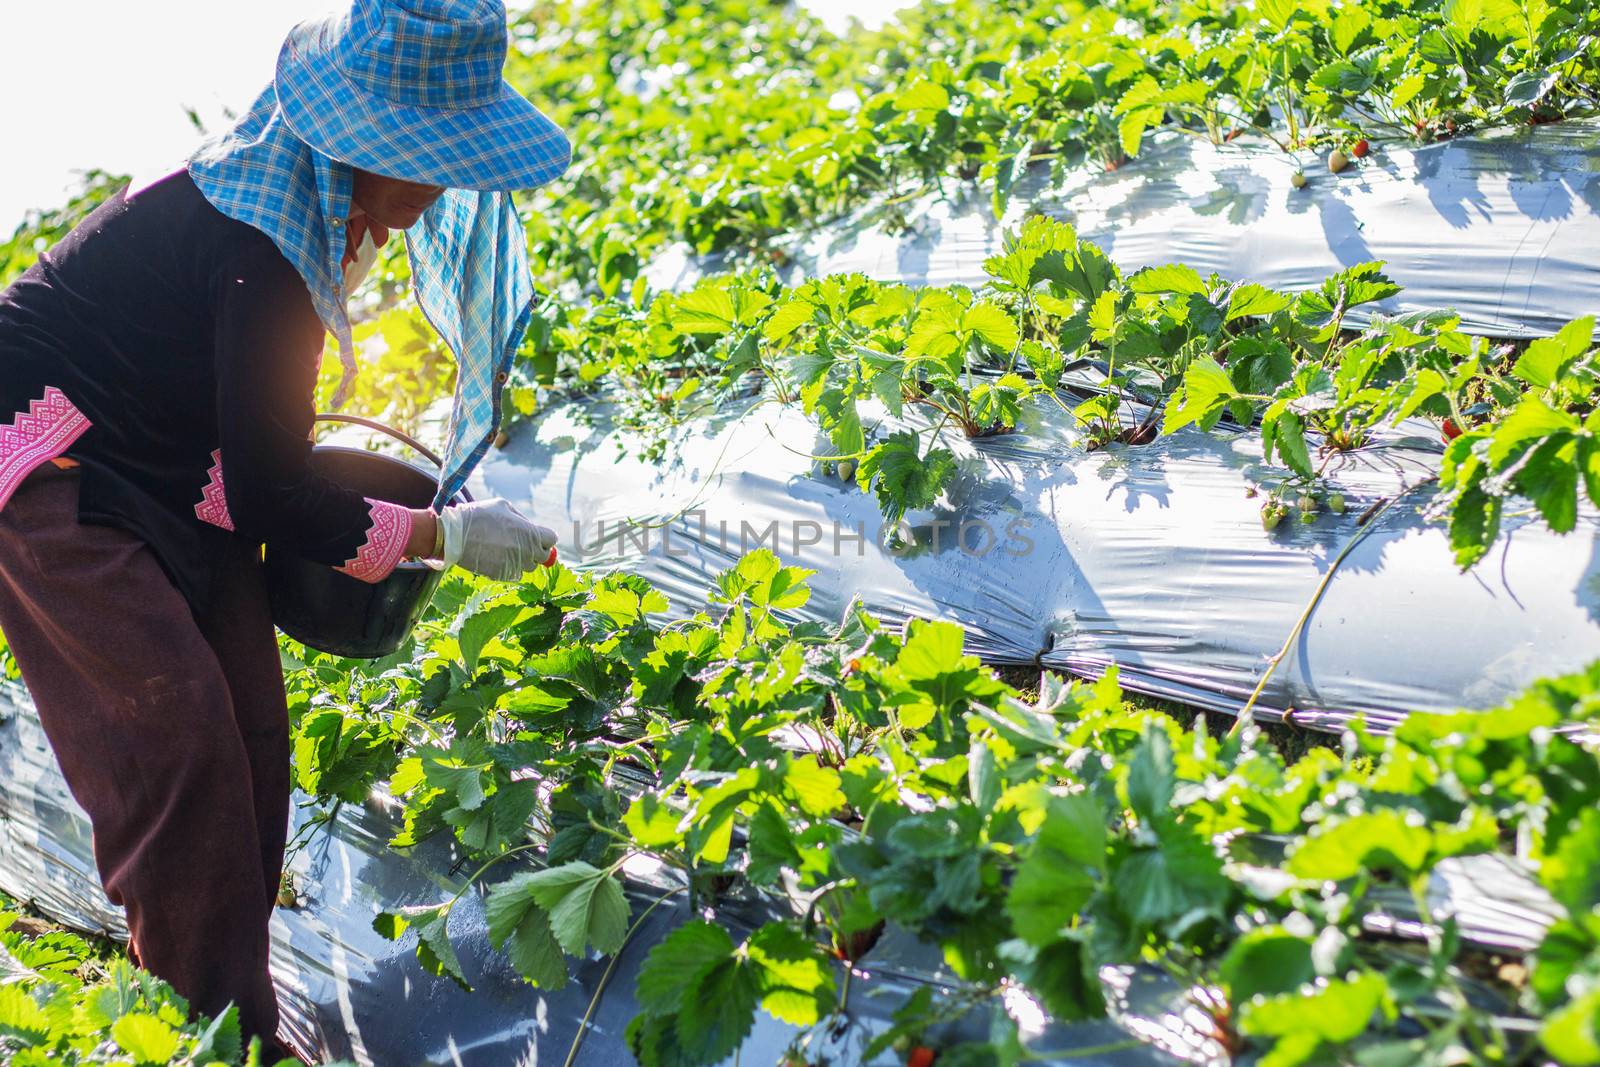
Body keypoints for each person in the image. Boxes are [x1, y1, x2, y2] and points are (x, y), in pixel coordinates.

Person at [0, 0, 570, 1058]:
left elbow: (259, 451)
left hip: (178, 465)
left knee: (256, 735)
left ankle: (228, 1006)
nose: (446, 182)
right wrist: (442, 537)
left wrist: (406, 520)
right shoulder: (260, 242)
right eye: (432, 156)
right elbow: (270, 498)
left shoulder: (313, 213)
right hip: (57, 458)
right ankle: (211, 1034)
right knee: (177, 740)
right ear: (365, 145)